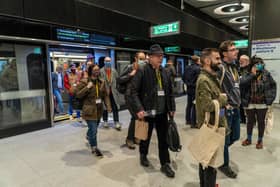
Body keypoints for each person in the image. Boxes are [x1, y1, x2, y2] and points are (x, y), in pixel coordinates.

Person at [129, 44, 176, 178]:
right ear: (149, 57)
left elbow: (170, 92)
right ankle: (143, 155)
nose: (160, 58)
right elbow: (133, 92)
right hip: (147, 112)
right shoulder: (142, 70)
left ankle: (165, 164)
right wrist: (139, 109)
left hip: (162, 112)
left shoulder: (165, 71)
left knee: (164, 140)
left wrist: (171, 107)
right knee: (145, 137)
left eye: (161, 56)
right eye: (157, 56)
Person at [196, 48, 227, 187]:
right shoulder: (204, 80)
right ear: (207, 61)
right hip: (209, 127)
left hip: (214, 125)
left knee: (207, 161)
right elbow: (207, 106)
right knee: (209, 164)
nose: (220, 62)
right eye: (217, 59)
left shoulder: (211, 78)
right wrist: (223, 100)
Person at [76, 64, 112, 157]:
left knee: (93, 129)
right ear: (90, 71)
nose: (97, 71)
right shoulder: (84, 82)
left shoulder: (102, 82)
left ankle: (89, 136)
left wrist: (108, 106)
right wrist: (87, 87)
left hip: (99, 110)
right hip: (89, 109)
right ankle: (94, 148)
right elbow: (78, 95)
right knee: (94, 129)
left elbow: (105, 96)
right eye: (95, 70)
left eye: (98, 70)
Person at [240, 56, 276, 149]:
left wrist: (270, 99)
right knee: (250, 122)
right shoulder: (247, 73)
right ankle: (248, 139)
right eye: (257, 64)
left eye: (261, 64)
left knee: (261, 122)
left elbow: (273, 86)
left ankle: (260, 141)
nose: (259, 66)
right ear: (252, 65)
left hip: (262, 103)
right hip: (250, 102)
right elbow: (242, 84)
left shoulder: (266, 74)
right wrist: (252, 74)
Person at [218, 40, 240, 178]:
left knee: (235, 136)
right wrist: (223, 103)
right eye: (232, 49)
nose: (236, 51)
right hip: (225, 109)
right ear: (224, 54)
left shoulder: (233, 67)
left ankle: (220, 150)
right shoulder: (221, 68)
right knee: (225, 139)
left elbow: (236, 85)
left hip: (236, 108)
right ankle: (223, 164)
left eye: (235, 49)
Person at [118, 51, 146, 149]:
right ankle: (129, 139)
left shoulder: (144, 68)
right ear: (136, 58)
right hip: (129, 96)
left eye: (144, 59)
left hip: (139, 97)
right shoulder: (130, 68)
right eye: (141, 59)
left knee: (141, 117)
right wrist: (131, 74)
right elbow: (120, 79)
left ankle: (137, 137)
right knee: (135, 117)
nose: (143, 61)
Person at [100, 57, 122, 130]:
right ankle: (105, 121)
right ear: (104, 62)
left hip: (113, 92)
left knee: (115, 107)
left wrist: (117, 89)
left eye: (109, 61)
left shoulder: (114, 71)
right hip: (105, 92)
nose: (108, 62)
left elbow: (117, 80)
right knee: (105, 107)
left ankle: (116, 121)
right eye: (106, 61)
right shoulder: (101, 71)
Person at [183, 55, 201, 127]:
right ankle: (194, 123)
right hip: (195, 89)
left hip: (189, 88)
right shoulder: (198, 69)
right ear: (197, 61)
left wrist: (188, 84)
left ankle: (188, 120)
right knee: (195, 105)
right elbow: (199, 80)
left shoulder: (187, 68)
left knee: (189, 105)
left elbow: (183, 77)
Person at [239, 55, 250, 124]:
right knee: (241, 106)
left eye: (242, 61)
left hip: (248, 92)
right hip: (240, 91)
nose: (240, 62)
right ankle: (242, 119)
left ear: (247, 61)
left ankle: (251, 120)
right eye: (240, 60)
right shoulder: (239, 69)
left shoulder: (250, 69)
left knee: (248, 108)